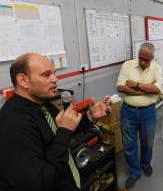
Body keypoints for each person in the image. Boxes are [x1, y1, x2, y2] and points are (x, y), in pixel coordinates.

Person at [0, 53, 110, 191]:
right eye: (46, 75)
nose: (55, 79)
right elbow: (38, 183)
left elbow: (61, 128)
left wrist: (89, 116)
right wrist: (63, 133)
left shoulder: (42, 102)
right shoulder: (13, 124)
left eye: (54, 73)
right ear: (23, 80)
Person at [116, 42, 163, 190]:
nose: (143, 62)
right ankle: (134, 172)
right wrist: (147, 90)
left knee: (147, 141)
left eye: (146, 59)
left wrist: (134, 85)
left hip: (148, 112)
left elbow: (157, 89)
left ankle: (145, 164)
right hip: (128, 111)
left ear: (152, 57)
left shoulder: (157, 69)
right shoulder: (127, 65)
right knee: (129, 144)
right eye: (140, 58)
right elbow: (120, 87)